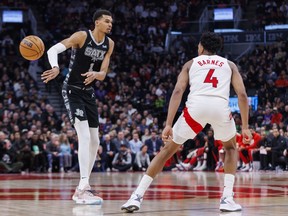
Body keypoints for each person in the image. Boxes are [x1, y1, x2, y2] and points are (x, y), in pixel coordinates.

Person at [121, 32, 252, 213]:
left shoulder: (191, 63)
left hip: (195, 108)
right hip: (219, 108)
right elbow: (243, 95)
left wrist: (168, 124)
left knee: (167, 150)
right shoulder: (229, 65)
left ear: (201, 47)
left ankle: (136, 196)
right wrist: (245, 127)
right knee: (230, 148)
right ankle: (227, 198)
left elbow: (177, 91)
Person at [41, 9, 114, 205]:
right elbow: (52, 50)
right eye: (106, 21)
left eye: (111, 22)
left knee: (95, 141)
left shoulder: (110, 44)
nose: (110, 25)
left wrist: (98, 75)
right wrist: (56, 68)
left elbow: (104, 71)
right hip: (72, 90)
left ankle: (84, 186)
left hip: (88, 93)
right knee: (84, 136)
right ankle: (83, 187)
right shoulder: (82, 36)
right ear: (97, 22)